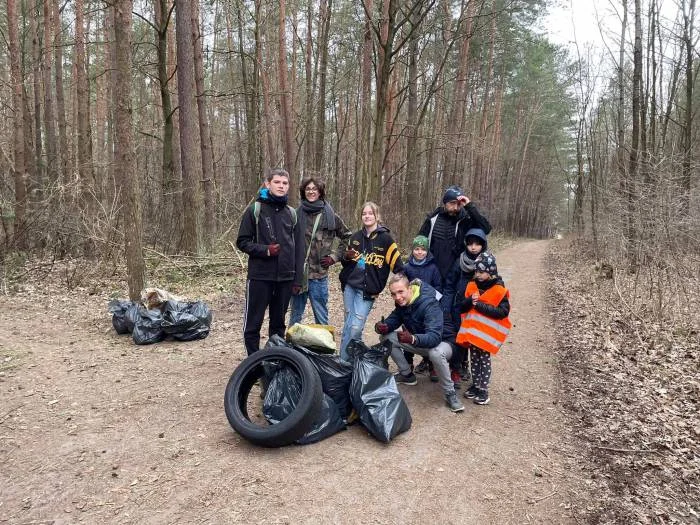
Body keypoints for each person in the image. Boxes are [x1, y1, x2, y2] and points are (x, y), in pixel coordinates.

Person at [236, 169, 304, 355]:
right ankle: (253, 365)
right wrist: (265, 250)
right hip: (260, 277)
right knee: (253, 324)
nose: (281, 186)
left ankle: (275, 362)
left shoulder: (292, 213)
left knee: (278, 325)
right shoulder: (255, 210)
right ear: (268, 184)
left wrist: (298, 279)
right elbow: (242, 242)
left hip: (285, 278)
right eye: (277, 182)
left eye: (285, 183)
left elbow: (299, 249)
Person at [375, 273, 464, 413]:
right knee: (387, 337)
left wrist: (412, 339)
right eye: (393, 294)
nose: (397, 297)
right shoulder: (402, 303)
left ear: (409, 288)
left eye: (400, 292)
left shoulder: (428, 303)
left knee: (436, 353)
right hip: (423, 343)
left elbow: (434, 337)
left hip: (445, 344)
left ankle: (450, 393)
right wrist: (382, 326)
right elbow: (394, 318)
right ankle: (407, 375)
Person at [338, 202, 403, 360]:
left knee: (355, 328)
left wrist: (403, 287)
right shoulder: (355, 237)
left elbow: (399, 267)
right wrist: (346, 257)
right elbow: (346, 263)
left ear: (377, 216)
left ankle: (343, 362)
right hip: (350, 287)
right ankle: (350, 360)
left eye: (370, 213)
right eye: (364, 214)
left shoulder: (386, 240)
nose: (367, 216)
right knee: (349, 326)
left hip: (368, 291)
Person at [289, 177, 351, 327]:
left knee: (321, 316)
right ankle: (290, 349)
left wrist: (335, 256)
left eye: (314, 189)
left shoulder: (330, 216)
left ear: (320, 192)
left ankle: (324, 349)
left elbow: (347, 236)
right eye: (308, 189)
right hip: (299, 276)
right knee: (295, 316)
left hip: (319, 275)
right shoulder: (295, 215)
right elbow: (288, 243)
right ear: (304, 192)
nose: (311, 192)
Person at [455, 252, 511, 405]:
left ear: (491, 272)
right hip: (473, 336)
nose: (478, 275)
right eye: (476, 271)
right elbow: (462, 307)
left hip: (485, 338)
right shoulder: (472, 286)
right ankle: (475, 385)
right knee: (474, 360)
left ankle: (483, 390)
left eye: (481, 272)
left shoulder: (499, 290)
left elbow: (503, 312)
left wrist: (479, 304)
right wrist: (469, 301)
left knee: (484, 362)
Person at [418, 185, 491, 287]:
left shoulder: (466, 219)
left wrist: (469, 206)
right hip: (433, 269)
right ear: (445, 202)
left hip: (457, 271)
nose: (456, 207)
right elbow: (420, 241)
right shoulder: (433, 218)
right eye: (452, 203)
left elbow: (486, 229)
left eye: (458, 204)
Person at [442, 228, 489, 386]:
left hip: (478, 309)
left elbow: (495, 282)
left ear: (483, 245)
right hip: (459, 307)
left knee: (474, 340)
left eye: (477, 244)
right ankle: (458, 366)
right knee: (459, 338)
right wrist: (446, 308)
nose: (473, 247)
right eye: (470, 244)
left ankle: (470, 369)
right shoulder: (459, 262)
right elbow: (449, 286)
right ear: (466, 245)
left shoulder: (487, 262)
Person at [402, 235, 442, 372]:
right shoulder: (406, 268)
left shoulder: (433, 268)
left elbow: (438, 287)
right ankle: (408, 363)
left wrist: (432, 300)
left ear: (427, 251)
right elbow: (401, 286)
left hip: (427, 307)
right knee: (407, 333)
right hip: (409, 308)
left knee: (427, 333)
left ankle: (431, 364)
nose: (420, 252)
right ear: (412, 250)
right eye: (417, 249)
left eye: (423, 249)